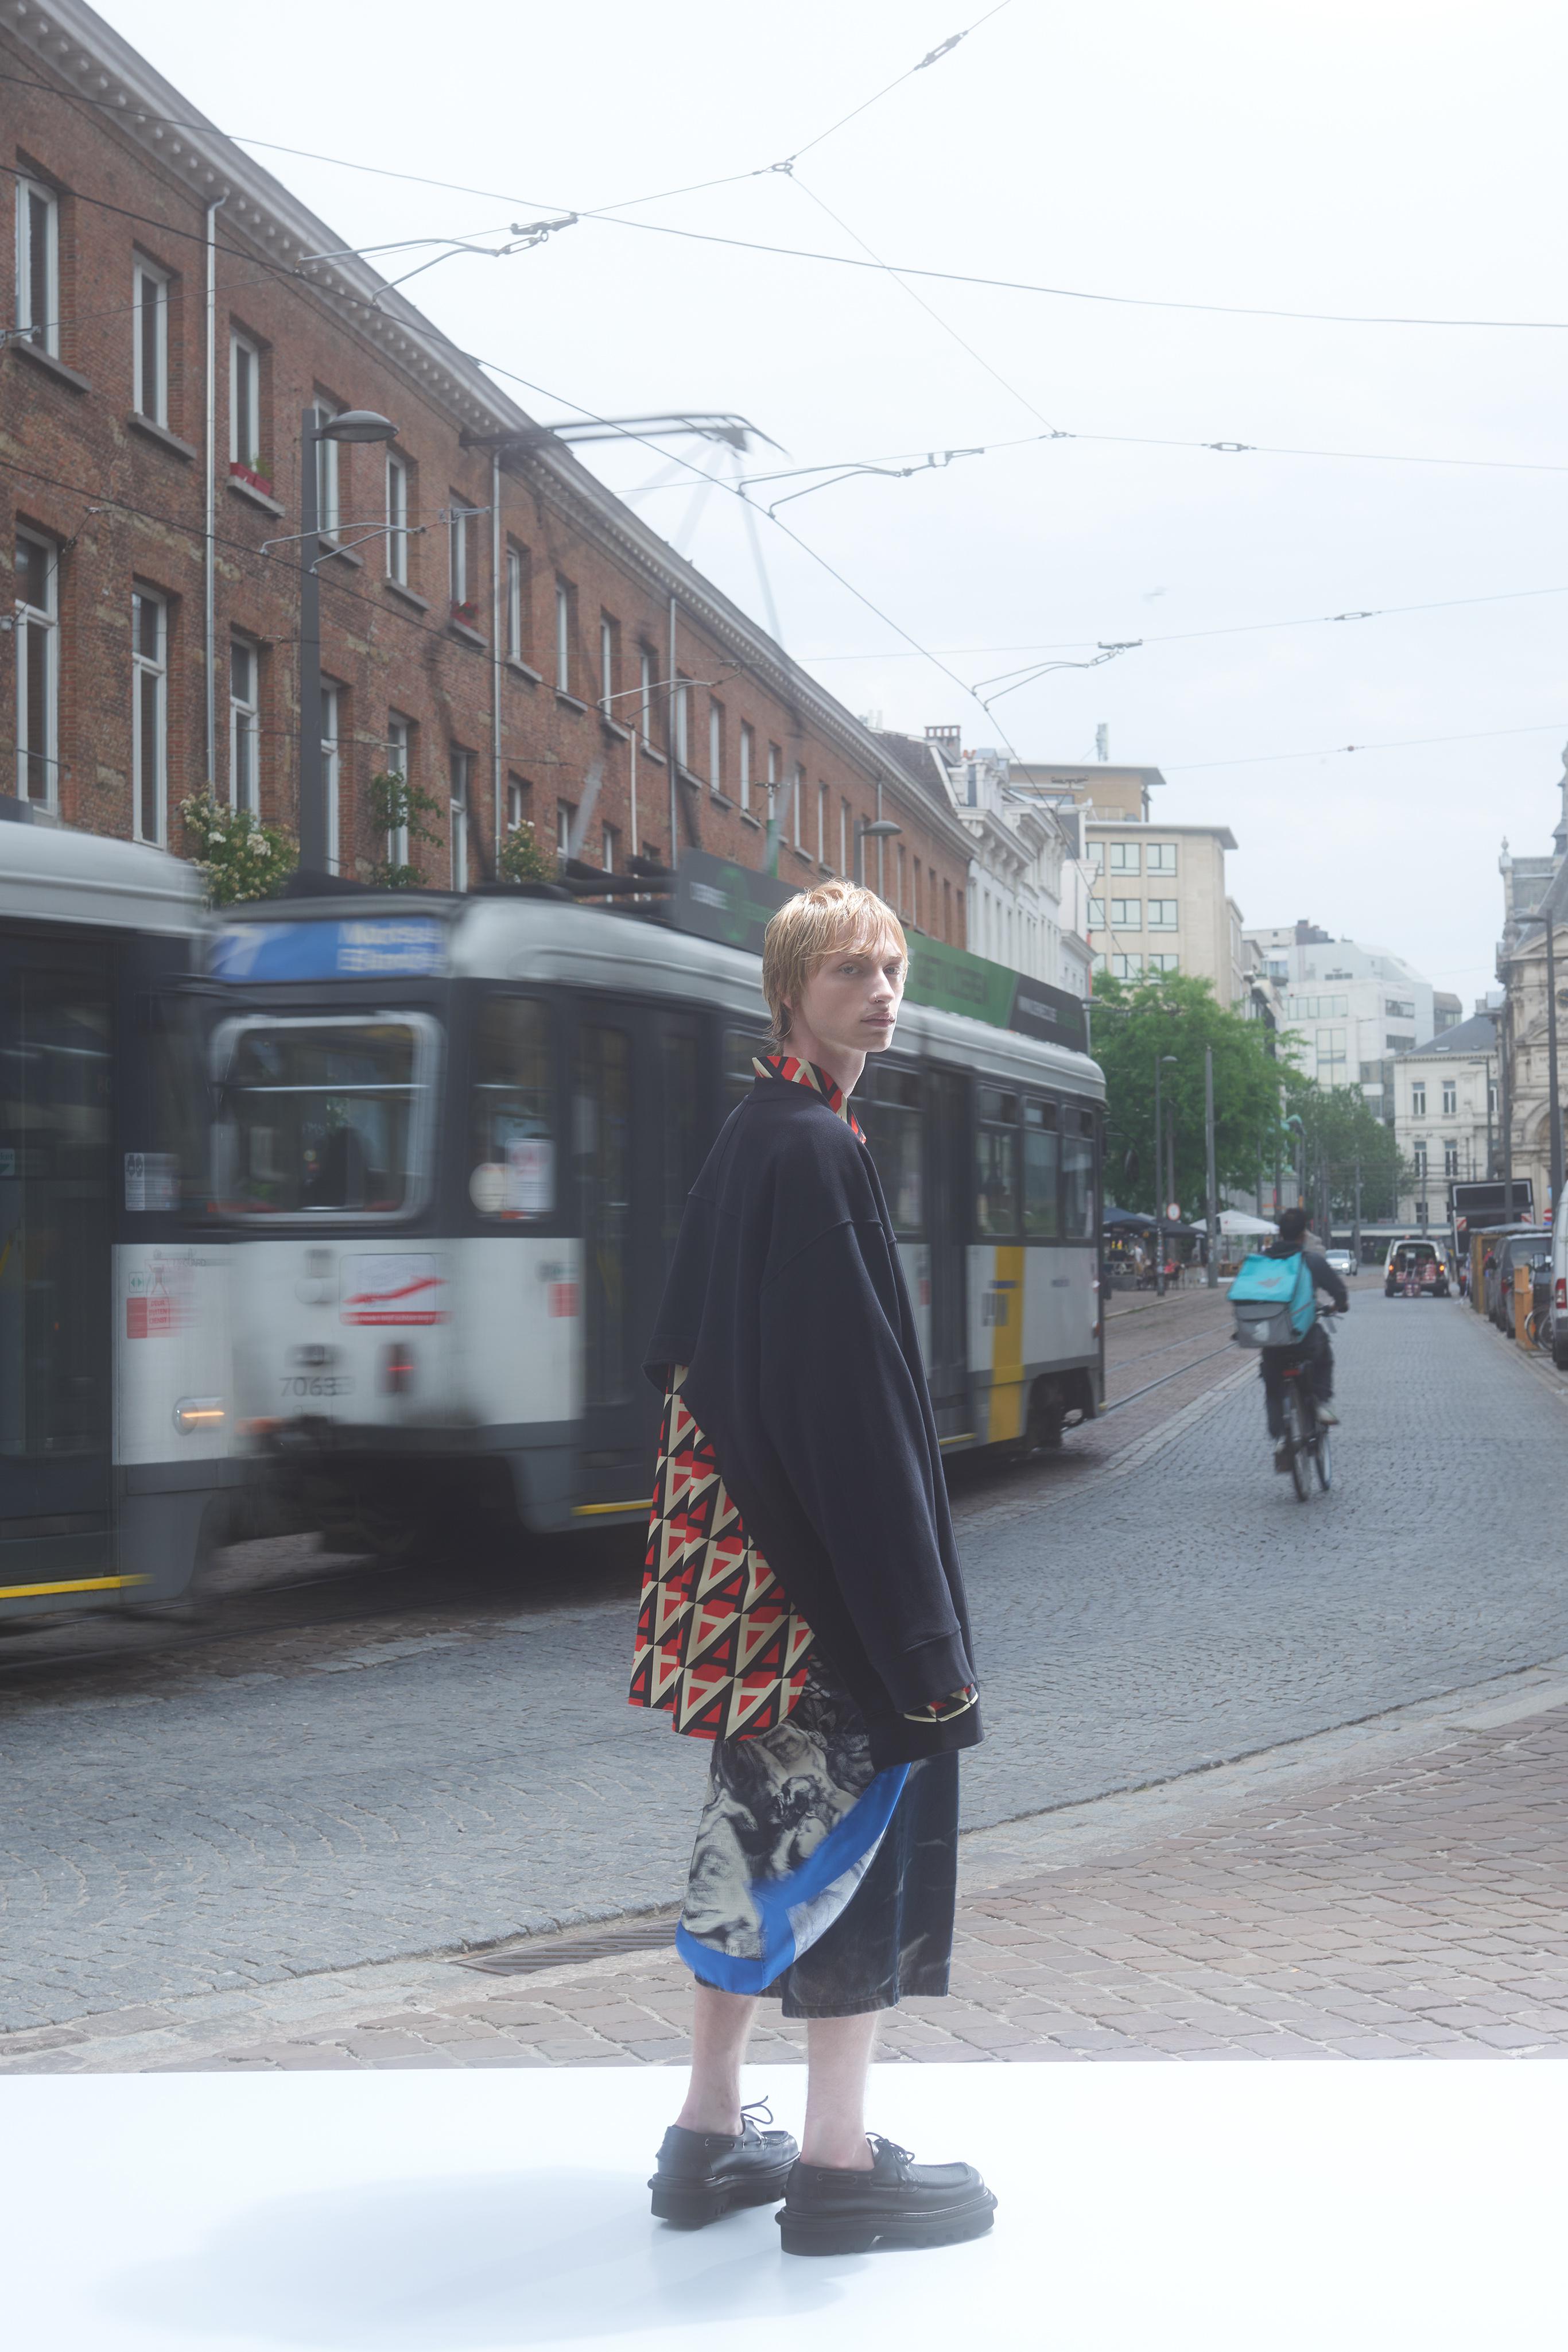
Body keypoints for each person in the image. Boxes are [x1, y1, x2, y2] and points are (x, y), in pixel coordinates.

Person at [630, 879, 996, 2258]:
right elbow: (849, 1412)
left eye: (893, 968)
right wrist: (914, 1618)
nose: (881, 990)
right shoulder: (818, 1150)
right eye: (851, 970)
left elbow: (681, 1357)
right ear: (789, 989)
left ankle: (708, 2134)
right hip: (809, 1583)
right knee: (848, 1843)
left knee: (747, 1835)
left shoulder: (759, 1132)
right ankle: (838, 2163)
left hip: (743, 1578)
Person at [1260, 1205, 1349, 1470]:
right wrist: (1339, 1306)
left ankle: (1279, 1436)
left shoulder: (1265, 1260)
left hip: (1274, 1341)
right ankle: (1321, 1403)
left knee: (1272, 1380)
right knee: (1325, 1355)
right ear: (1303, 1235)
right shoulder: (1311, 1260)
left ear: (1279, 1233)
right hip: (1305, 1340)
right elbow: (1339, 1292)